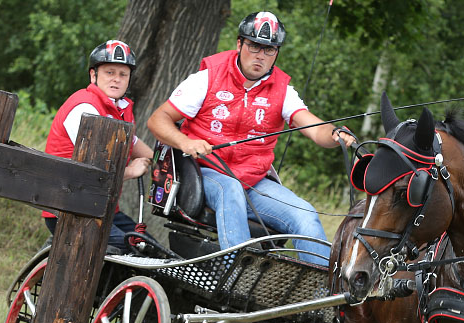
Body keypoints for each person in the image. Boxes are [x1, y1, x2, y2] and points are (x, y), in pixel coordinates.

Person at [147, 11, 355, 267]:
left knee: (305, 213)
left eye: (269, 50)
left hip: (254, 182)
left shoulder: (283, 90)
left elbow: (314, 129)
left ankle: (324, 298)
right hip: (206, 173)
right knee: (230, 189)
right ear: (239, 44)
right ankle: (236, 273)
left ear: (276, 53)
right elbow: (157, 120)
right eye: (254, 46)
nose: (260, 55)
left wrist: (334, 135)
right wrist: (186, 143)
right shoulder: (207, 78)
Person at [42, 40, 153, 253]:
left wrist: (160, 163)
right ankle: (59, 252)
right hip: (70, 207)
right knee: (132, 250)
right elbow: (95, 173)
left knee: (150, 247)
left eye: (123, 74)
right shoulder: (85, 107)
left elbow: (133, 142)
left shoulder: (119, 107)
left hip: (99, 206)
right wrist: (131, 171)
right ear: (93, 75)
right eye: (109, 72)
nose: (116, 79)